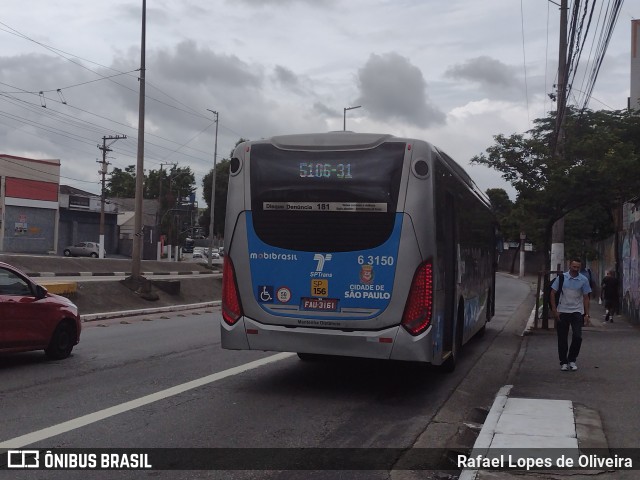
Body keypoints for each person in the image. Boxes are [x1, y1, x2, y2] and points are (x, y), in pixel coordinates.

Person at [550, 259, 592, 371]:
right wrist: (554, 310)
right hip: (562, 311)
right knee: (562, 338)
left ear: (580, 268)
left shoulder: (583, 280)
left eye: (578, 267)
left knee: (578, 336)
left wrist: (587, 314)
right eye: (574, 267)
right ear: (570, 266)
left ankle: (572, 359)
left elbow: (586, 297)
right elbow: (552, 293)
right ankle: (563, 362)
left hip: (577, 311)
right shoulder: (562, 278)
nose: (575, 269)